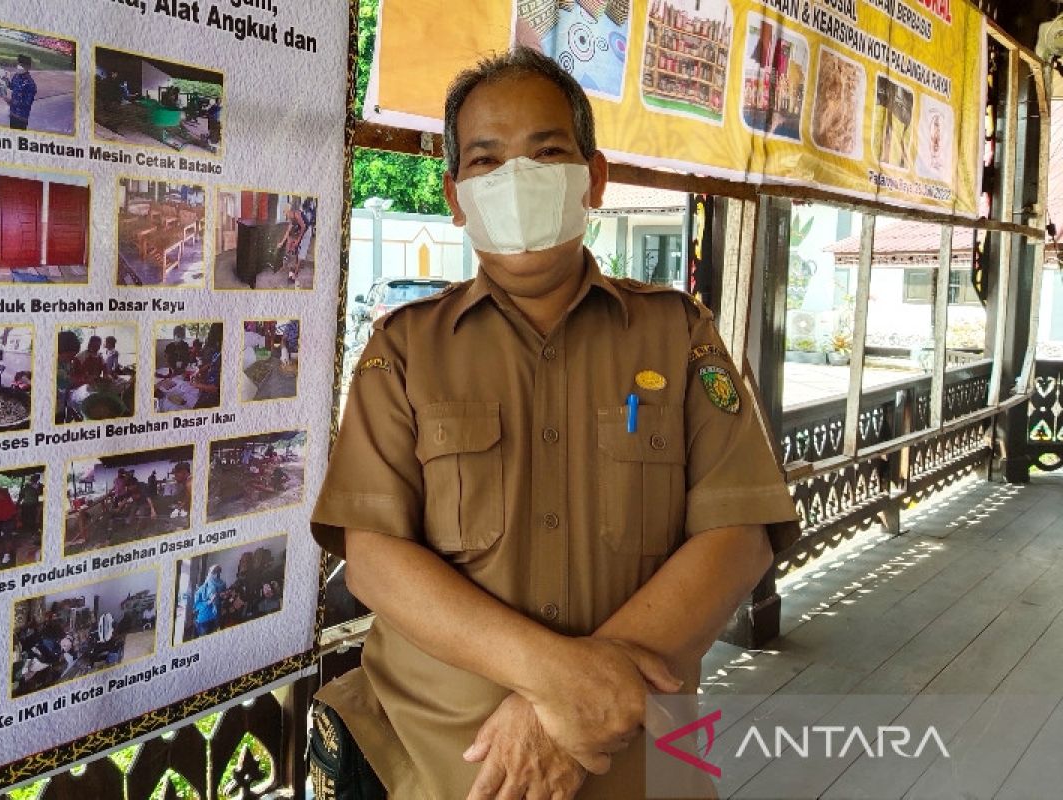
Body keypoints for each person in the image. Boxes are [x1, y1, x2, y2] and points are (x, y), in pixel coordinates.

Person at [308, 48, 799, 799]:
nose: (518, 178)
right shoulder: (403, 350)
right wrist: (558, 685)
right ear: (455, 195)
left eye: (546, 152)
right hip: (426, 764)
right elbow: (373, 558)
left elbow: (738, 535)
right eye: (487, 161)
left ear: (593, 177)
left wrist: (567, 719)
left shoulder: (679, 334)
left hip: (635, 766)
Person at [192, 565, 226, 637]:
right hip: (204, 620)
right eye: (214, 572)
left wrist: (223, 597)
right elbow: (196, 606)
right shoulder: (202, 588)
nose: (217, 574)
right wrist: (208, 602)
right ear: (210, 573)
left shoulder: (222, 585)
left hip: (216, 619)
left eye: (219, 572)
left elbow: (220, 601)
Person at [5, 55, 36, 130]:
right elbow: (12, 86)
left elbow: (27, 103)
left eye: (22, 65)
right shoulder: (16, 76)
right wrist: (6, 82)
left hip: (21, 118)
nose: (19, 66)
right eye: (19, 64)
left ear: (28, 67)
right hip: (13, 113)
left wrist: (11, 102)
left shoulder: (30, 84)